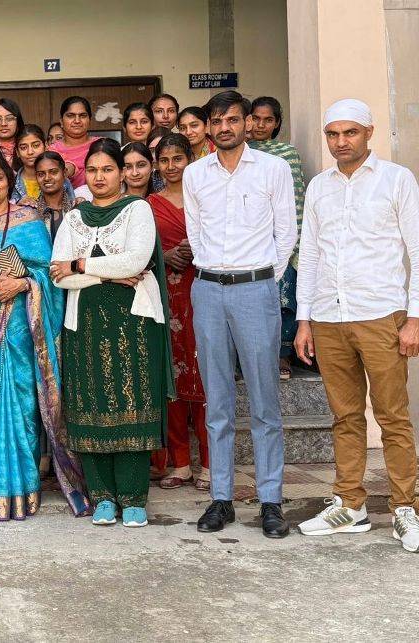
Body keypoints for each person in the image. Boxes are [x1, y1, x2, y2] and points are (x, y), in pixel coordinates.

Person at [294, 99, 419, 552]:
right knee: (344, 417)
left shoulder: (396, 179)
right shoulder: (319, 187)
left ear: (369, 132)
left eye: (349, 132)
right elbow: (309, 254)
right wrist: (304, 319)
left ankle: (406, 507)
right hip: (329, 318)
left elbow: (416, 248)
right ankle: (350, 504)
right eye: (332, 134)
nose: (340, 142)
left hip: (381, 314)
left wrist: (414, 317)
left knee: (392, 417)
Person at [0, 154, 88, 521]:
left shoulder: (29, 219)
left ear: (10, 181)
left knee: (23, 404)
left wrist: (23, 283)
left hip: (26, 326)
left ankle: (23, 489)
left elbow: (49, 272)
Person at [184, 90, 296, 538]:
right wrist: (216, 273)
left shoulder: (273, 169)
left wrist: (262, 280)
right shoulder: (195, 173)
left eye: (232, 119)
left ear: (247, 122)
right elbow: (195, 231)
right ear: (209, 127)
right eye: (217, 120)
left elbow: (286, 233)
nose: (224, 127)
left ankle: (270, 500)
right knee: (218, 401)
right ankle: (221, 498)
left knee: (265, 401)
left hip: (256, 289)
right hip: (208, 289)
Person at [50, 138, 171, 529]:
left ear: (121, 173)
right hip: (84, 323)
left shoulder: (137, 209)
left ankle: (134, 498)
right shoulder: (74, 217)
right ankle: (102, 496)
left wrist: (81, 264)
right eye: (93, 170)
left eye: (107, 170)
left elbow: (136, 260)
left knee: (132, 404)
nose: (99, 177)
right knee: (91, 406)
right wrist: (108, 274)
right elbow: (57, 275)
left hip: (134, 322)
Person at [146, 134, 209, 491]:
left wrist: (196, 249)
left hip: (203, 292)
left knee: (205, 375)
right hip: (166, 296)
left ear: (191, 159)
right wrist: (164, 256)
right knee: (171, 376)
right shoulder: (149, 204)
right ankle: (181, 463)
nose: (171, 166)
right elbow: (140, 250)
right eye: (164, 160)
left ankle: (211, 465)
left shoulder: (206, 197)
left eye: (178, 159)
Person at [248, 96, 307, 380]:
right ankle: (248, 359)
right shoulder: (239, 151)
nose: (261, 125)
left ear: (277, 123)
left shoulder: (287, 154)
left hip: (283, 238)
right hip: (252, 240)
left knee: (283, 298)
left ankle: (282, 355)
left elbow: (297, 199)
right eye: (256, 118)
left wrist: (293, 242)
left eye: (268, 120)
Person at [21, 151, 79, 239]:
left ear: (64, 173)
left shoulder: (77, 209)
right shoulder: (30, 213)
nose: (47, 178)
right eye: (41, 174)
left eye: (53, 172)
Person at [49, 96, 99, 188]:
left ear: (90, 120)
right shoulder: (52, 151)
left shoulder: (101, 145)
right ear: (61, 122)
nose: (77, 121)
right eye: (70, 116)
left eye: (82, 116)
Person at [11, 124, 46, 201]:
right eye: (23, 148)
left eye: (36, 145)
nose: (30, 152)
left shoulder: (58, 179)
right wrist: (16, 206)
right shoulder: (10, 182)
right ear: (17, 152)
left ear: (45, 146)